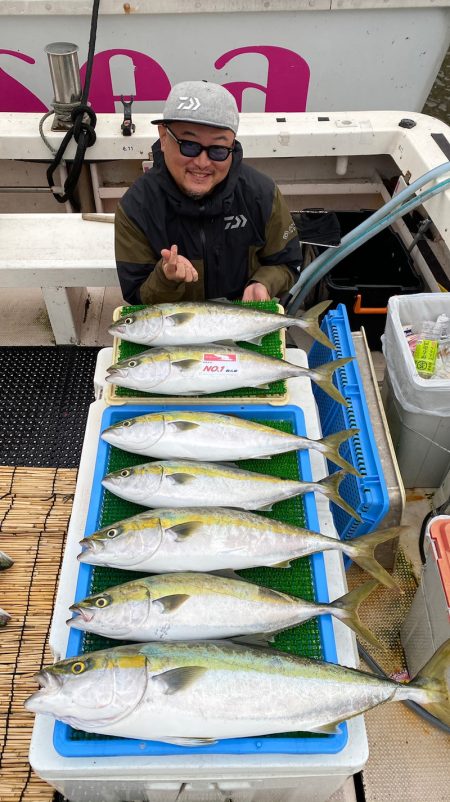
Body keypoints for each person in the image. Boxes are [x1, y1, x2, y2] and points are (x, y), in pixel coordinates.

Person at [115, 80, 302, 306]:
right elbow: (136, 295)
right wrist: (165, 279)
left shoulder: (262, 194)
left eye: (218, 149)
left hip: (242, 322)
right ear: (164, 137)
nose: (202, 162)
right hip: (177, 328)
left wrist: (262, 283)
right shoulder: (136, 206)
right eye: (189, 145)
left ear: (232, 146)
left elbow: (287, 264)